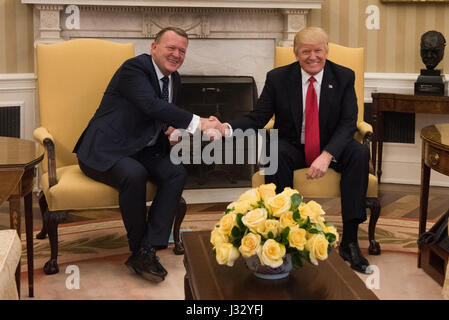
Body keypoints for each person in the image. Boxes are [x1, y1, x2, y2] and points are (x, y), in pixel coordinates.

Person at [73, 27, 221, 283]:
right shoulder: (134, 69)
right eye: (171, 48)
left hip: (142, 149)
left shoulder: (175, 79)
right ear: (154, 48)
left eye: (182, 51)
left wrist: (175, 129)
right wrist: (199, 123)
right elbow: (151, 104)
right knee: (134, 173)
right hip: (105, 148)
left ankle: (149, 247)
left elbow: (160, 115)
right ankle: (139, 249)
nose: (176, 54)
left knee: (176, 172)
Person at [221, 27, 371, 274]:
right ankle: (281, 239)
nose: (313, 57)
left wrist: (327, 155)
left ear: (327, 50)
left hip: (331, 145)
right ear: (295, 53)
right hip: (294, 145)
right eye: (306, 52)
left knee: (359, 153)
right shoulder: (278, 78)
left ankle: (350, 242)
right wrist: (226, 127)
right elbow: (258, 117)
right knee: (275, 151)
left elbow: (348, 122)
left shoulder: (344, 77)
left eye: (318, 51)